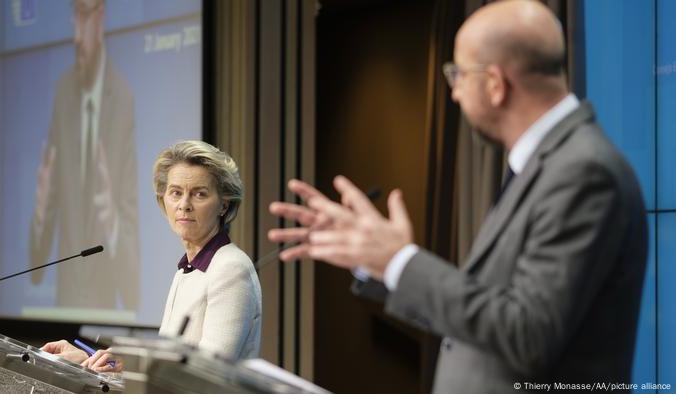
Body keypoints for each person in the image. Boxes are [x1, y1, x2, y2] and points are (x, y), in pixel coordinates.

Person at [268, 1, 648, 393]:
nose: (454, 93)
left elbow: (527, 334)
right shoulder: (546, 165)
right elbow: (484, 311)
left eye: (458, 75)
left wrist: (400, 260)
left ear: (496, 85)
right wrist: (377, 260)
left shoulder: (583, 172)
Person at [43, 141, 262, 372]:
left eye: (199, 194)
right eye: (176, 193)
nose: (184, 205)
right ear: (163, 200)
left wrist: (134, 364)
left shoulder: (231, 267)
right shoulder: (187, 270)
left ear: (223, 205)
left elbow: (206, 373)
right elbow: (170, 369)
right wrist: (87, 361)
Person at [29, 0, 140, 309]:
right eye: (73, 16)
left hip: (106, 319)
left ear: (100, 17)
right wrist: (39, 215)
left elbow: (133, 289)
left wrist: (111, 221)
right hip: (60, 309)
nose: (76, 34)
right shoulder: (63, 92)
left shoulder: (123, 97)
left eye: (83, 15)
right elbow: (36, 266)